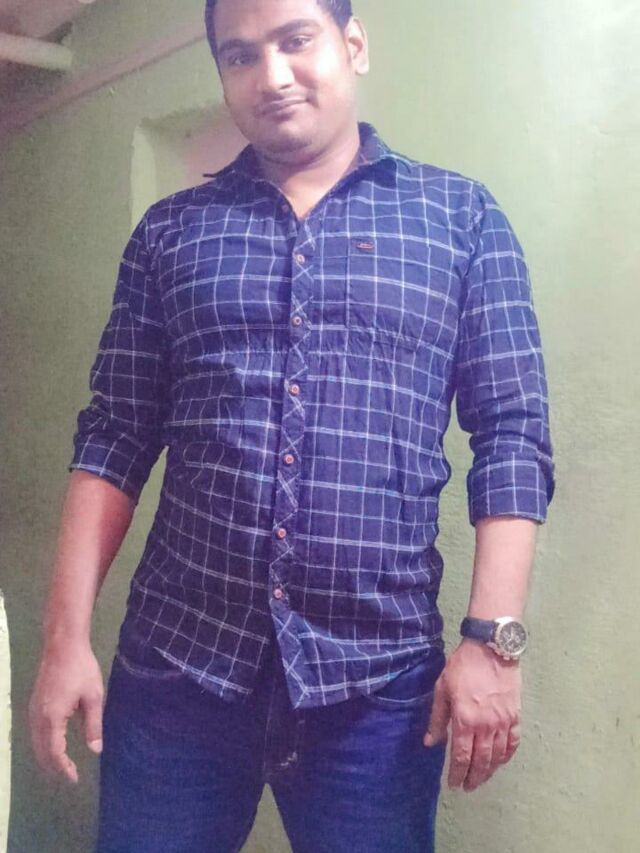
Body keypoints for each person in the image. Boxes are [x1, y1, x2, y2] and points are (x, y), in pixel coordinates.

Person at [28, 0, 556, 850]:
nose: (270, 75)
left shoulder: (462, 221)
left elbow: (512, 437)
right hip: (179, 673)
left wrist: (494, 644)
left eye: (295, 40)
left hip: (377, 688)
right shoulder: (171, 233)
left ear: (353, 44)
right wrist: (64, 640)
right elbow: (113, 435)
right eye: (239, 55)